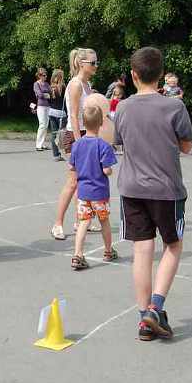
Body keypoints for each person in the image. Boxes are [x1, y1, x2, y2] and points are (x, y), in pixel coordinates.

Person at [113, 47, 192, 341]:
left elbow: (119, 141)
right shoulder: (174, 107)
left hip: (132, 188)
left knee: (142, 250)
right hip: (166, 189)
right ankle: (155, 307)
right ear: (161, 74)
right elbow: (187, 146)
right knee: (172, 245)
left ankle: (143, 318)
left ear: (133, 75)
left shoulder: (123, 108)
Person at [50, 48, 98, 241]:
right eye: (92, 63)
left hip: (87, 134)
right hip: (75, 135)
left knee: (83, 182)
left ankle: (80, 220)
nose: (96, 66)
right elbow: (73, 116)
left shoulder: (87, 84)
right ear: (81, 63)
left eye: (96, 62)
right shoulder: (76, 84)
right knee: (72, 182)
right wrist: (80, 144)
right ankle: (57, 224)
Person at [69, 106, 118, 270]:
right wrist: (109, 170)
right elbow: (106, 170)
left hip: (83, 192)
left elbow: (72, 167)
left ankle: (77, 254)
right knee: (104, 221)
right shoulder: (103, 146)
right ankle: (108, 251)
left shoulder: (77, 145)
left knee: (83, 222)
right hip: (99, 193)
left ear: (83, 123)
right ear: (101, 123)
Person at [48, 69, 66, 162]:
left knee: (54, 134)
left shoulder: (50, 87)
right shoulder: (62, 87)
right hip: (61, 113)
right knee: (64, 134)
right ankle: (67, 152)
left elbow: (49, 101)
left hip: (51, 112)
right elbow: (65, 101)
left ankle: (56, 155)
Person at [33, 68, 51, 151]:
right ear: (39, 76)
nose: (45, 76)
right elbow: (39, 94)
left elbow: (51, 93)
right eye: (44, 75)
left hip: (48, 106)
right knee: (42, 124)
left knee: (46, 125)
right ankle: (38, 145)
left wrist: (46, 95)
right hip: (41, 106)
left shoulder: (46, 84)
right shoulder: (36, 84)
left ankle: (42, 144)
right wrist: (46, 95)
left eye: (46, 75)